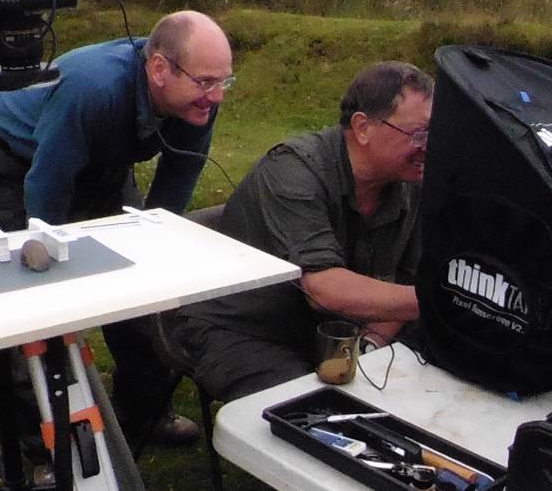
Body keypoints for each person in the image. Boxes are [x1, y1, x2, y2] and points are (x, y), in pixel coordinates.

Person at [0, 10, 233, 451]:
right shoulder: (95, 87)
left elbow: (177, 180)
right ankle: (39, 434)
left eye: (223, 81)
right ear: (159, 69)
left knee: (138, 282)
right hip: (17, 156)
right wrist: (47, 252)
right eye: (206, 82)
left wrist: (150, 242)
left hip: (103, 158)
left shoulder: (199, 102)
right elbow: (47, 184)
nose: (217, 95)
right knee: (30, 294)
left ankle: (143, 413)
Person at [173, 61, 432, 401]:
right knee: (314, 415)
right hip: (245, 329)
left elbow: (404, 281)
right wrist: (440, 303)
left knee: (432, 373)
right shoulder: (293, 171)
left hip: (334, 331)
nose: (429, 146)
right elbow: (323, 288)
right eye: (419, 134)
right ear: (363, 127)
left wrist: (371, 345)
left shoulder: (410, 183)